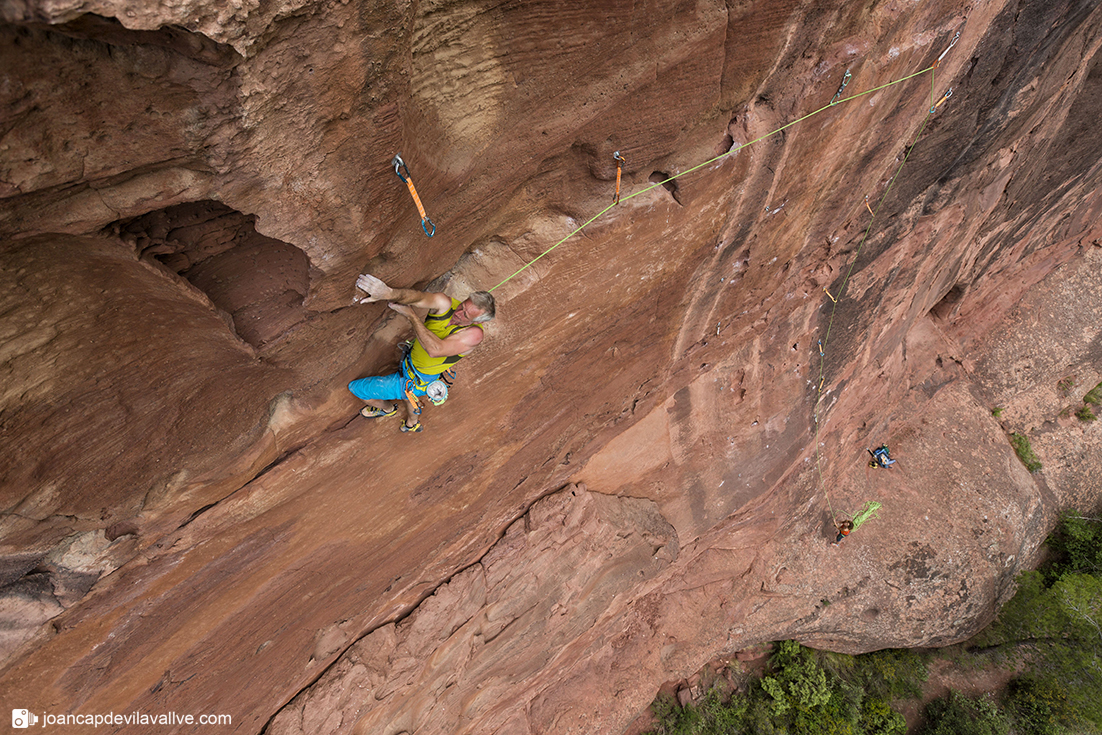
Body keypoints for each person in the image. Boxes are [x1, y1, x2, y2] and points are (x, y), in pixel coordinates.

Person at [348, 273, 495, 432]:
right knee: (409, 394)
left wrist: (411, 316)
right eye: (462, 306)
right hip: (416, 368)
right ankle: (412, 424)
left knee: (356, 388)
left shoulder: (474, 335)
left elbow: (434, 350)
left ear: (478, 321)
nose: (458, 312)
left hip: (419, 376)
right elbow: (418, 298)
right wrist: (389, 293)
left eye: (465, 315)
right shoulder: (446, 304)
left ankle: (387, 409)